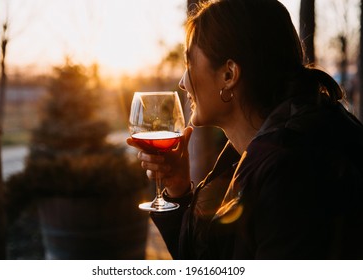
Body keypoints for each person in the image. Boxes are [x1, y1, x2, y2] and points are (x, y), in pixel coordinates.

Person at [127, 0, 363, 259]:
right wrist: (179, 189)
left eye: (189, 63)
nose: (183, 83)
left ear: (229, 74)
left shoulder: (291, 172)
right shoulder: (251, 152)